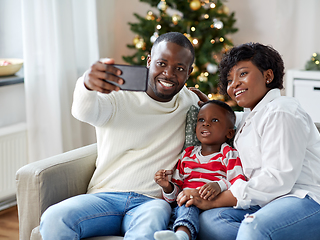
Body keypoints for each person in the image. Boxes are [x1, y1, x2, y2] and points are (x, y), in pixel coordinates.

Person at [39, 32, 208, 240]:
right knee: (55, 218)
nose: (169, 73)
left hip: (151, 202)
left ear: (189, 72)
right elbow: (84, 111)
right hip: (105, 195)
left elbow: (218, 126)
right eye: (161, 63)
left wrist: (209, 105)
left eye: (179, 68)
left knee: (149, 227)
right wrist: (87, 84)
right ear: (149, 61)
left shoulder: (189, 102)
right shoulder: (118, 95)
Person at [179, 43, 320, 240]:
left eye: (242, 74)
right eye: (230, 80)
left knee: (254, 228)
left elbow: (277, 179)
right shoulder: (249, 118)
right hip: (266, 204)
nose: (235, 84)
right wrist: (211, 107)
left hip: (308, 201)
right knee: (210, 222)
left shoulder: (282, 110)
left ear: (268, 76)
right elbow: (230, 120)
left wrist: (214, 201)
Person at [154, 100, 246, 240]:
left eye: (214, 120)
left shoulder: (228, 154)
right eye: (201, 120)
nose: (206, 123)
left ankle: (182, 236)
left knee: (190, 202)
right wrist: (167, 187)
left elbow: (238, 182)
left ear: (229, 133)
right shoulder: (187, 154)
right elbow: (174, 197)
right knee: (182, 205)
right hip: (183, 205)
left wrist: (219, 185)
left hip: (211, 204)